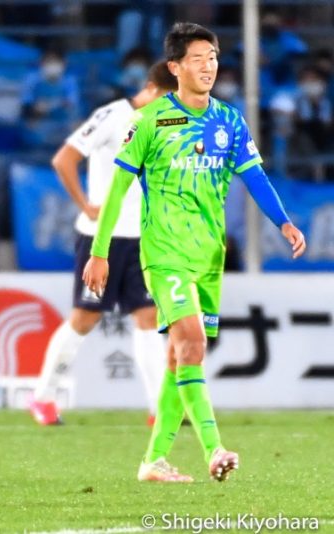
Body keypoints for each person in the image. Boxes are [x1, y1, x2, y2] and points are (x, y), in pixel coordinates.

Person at [83, 22, 306, 483]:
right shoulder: (148, 123)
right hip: (164, 252)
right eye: (199, 58)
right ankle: (214, 447)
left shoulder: (229, 120)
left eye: (214, 57)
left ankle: (154, 462)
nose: (209, 66)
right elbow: (118, 189)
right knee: (193, 343)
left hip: (209, 256)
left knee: (179, 357)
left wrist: (282, 221)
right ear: (175, 67)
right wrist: (99, 252)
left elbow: (256, 178)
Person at [30, 60, 178, 427]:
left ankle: (159, 410)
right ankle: (43, 399)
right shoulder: (113, 115)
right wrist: (85, 205)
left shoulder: (165, 124)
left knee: (148, 318)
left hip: (144, 239)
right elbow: (64, 159)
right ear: (156, 90)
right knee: (84, 318)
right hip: (104, 240)